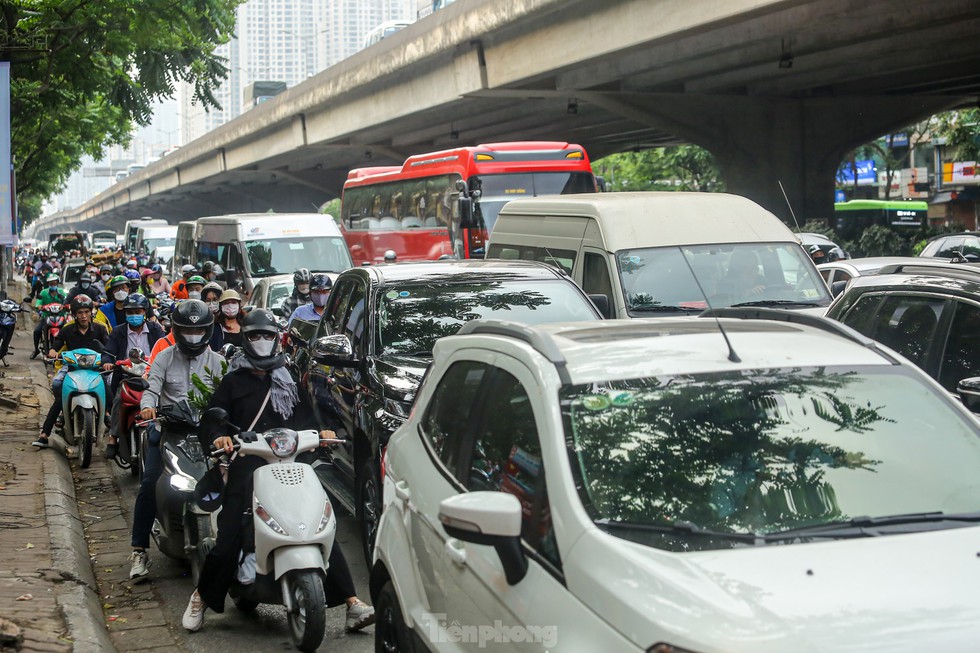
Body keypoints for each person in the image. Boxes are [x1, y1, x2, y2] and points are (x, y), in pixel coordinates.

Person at [181, 309, 374, 633]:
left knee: (318, 521)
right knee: (229, 535)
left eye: (267, 335)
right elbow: (214, 420)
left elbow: (306, 419)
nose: (261, 341)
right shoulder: (233, 380)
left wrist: (321, 432)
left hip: (289, 463)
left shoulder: (288, 376)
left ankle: (352, 603)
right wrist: (220, 436)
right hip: (249, 465)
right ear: (245, 339)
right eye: (254, 335)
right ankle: (201, 597)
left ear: (276, 339)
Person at [130, 300, 225, 582]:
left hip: (209, 435)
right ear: (178, 330)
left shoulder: (219, 363)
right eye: (187, 331)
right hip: (170, 431)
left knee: (239, 480)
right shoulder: (164, 357)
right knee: (149, 484)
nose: (193, 337)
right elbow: (152, 386)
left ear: (207, 331)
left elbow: (227, 396)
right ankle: (138, 550)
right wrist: (147, 407)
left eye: (199, 331)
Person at [32, 295, 110, 448]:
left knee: (108, 385)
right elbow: (57, 343)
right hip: (72, 368)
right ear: (74, 314)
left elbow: (109, 348)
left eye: (86, 312)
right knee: (58, 385)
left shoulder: (100, 329)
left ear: (91, 312)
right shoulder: (67, 329)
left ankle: (108, 415)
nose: (83, 316)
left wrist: (108, 361)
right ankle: (45, 434)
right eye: (80, 312)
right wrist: (53, 351)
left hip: (95, 368)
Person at [103, 293, 165, 459]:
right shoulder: (118, 332)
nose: (134, 315)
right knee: (118, 399)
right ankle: (113, 437)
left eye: (137, 311)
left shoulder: (155, 329)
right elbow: (108, 351)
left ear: (144, 312)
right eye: (130, 312)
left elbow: (165, 349)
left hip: (151, 375)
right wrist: (108, 361)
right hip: (126, 376)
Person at [31, 273, 68, 359]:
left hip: (61, 317)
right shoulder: (43, 293)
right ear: (48, 284)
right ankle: (36, 349)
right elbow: (38, 302)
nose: (53, 285)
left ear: (57, 283)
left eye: (55, 283)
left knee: (68, 331)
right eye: (51, 283)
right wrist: (39, 306)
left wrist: (66, 306)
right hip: (46, 317)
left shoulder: (62, 292)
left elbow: (67, 302)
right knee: (37, 331)